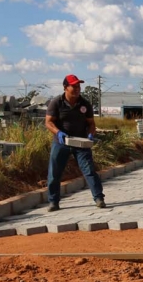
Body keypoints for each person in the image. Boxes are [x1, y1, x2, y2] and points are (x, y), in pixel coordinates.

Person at [44, 74, 105, 212]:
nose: (78, 89)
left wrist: (90, 134)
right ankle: (53, 202)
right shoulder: (56, 103)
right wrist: (58, 132)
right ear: (65, 87)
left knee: (89, 171)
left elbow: (91, 123)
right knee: (54, 173)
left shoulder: (85, 104)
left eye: (79, 86)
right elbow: (48, 122)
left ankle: (99, 198)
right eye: (74, 86)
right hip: (61, 142)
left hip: (80, 143)